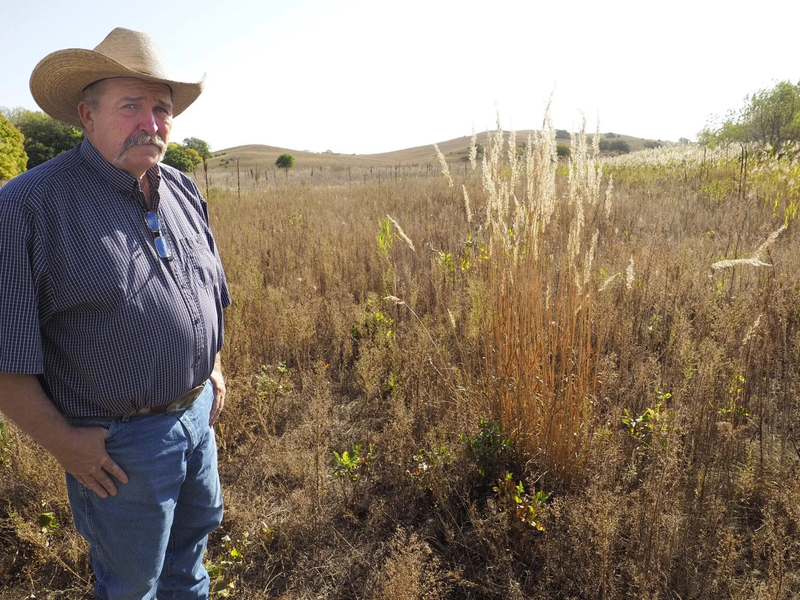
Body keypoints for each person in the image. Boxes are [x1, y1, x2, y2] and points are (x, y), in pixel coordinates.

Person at [0, 28, 230, 599]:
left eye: (161, 109)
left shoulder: (180, 187)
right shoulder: (26, 206)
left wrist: (213, 369)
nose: (149, 123)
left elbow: (206, 290)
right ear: (86, 115)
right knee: (132, 585)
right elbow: (5, 354)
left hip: (197, 421)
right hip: (118, 447)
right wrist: (63, 443)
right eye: (131, 106)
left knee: (190, 563)